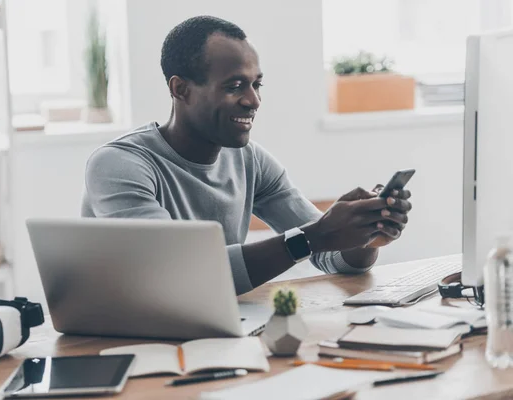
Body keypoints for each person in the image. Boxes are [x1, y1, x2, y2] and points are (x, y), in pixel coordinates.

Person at [81, 15, 412, 295]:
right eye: (234, 86)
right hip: (115, 343)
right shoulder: (119, 165)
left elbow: (331, 256)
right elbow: (180, 278)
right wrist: (315, 236)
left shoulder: (250, 160)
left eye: (257, 84)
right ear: (180, 89)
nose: (253, 101)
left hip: (207, 331)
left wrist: (365, 236)